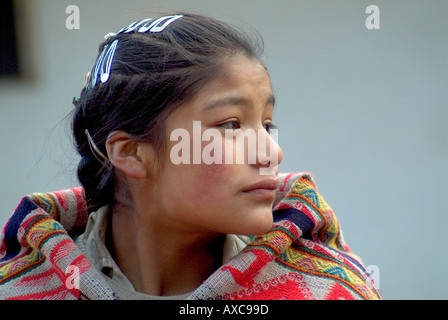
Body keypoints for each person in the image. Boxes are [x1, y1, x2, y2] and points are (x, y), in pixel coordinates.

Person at [0, 12, 381, 300]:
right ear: (131, 153)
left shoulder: (327, 289)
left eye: (266, 125)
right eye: (231, 126)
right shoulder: (20, 288)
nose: (272, 152)